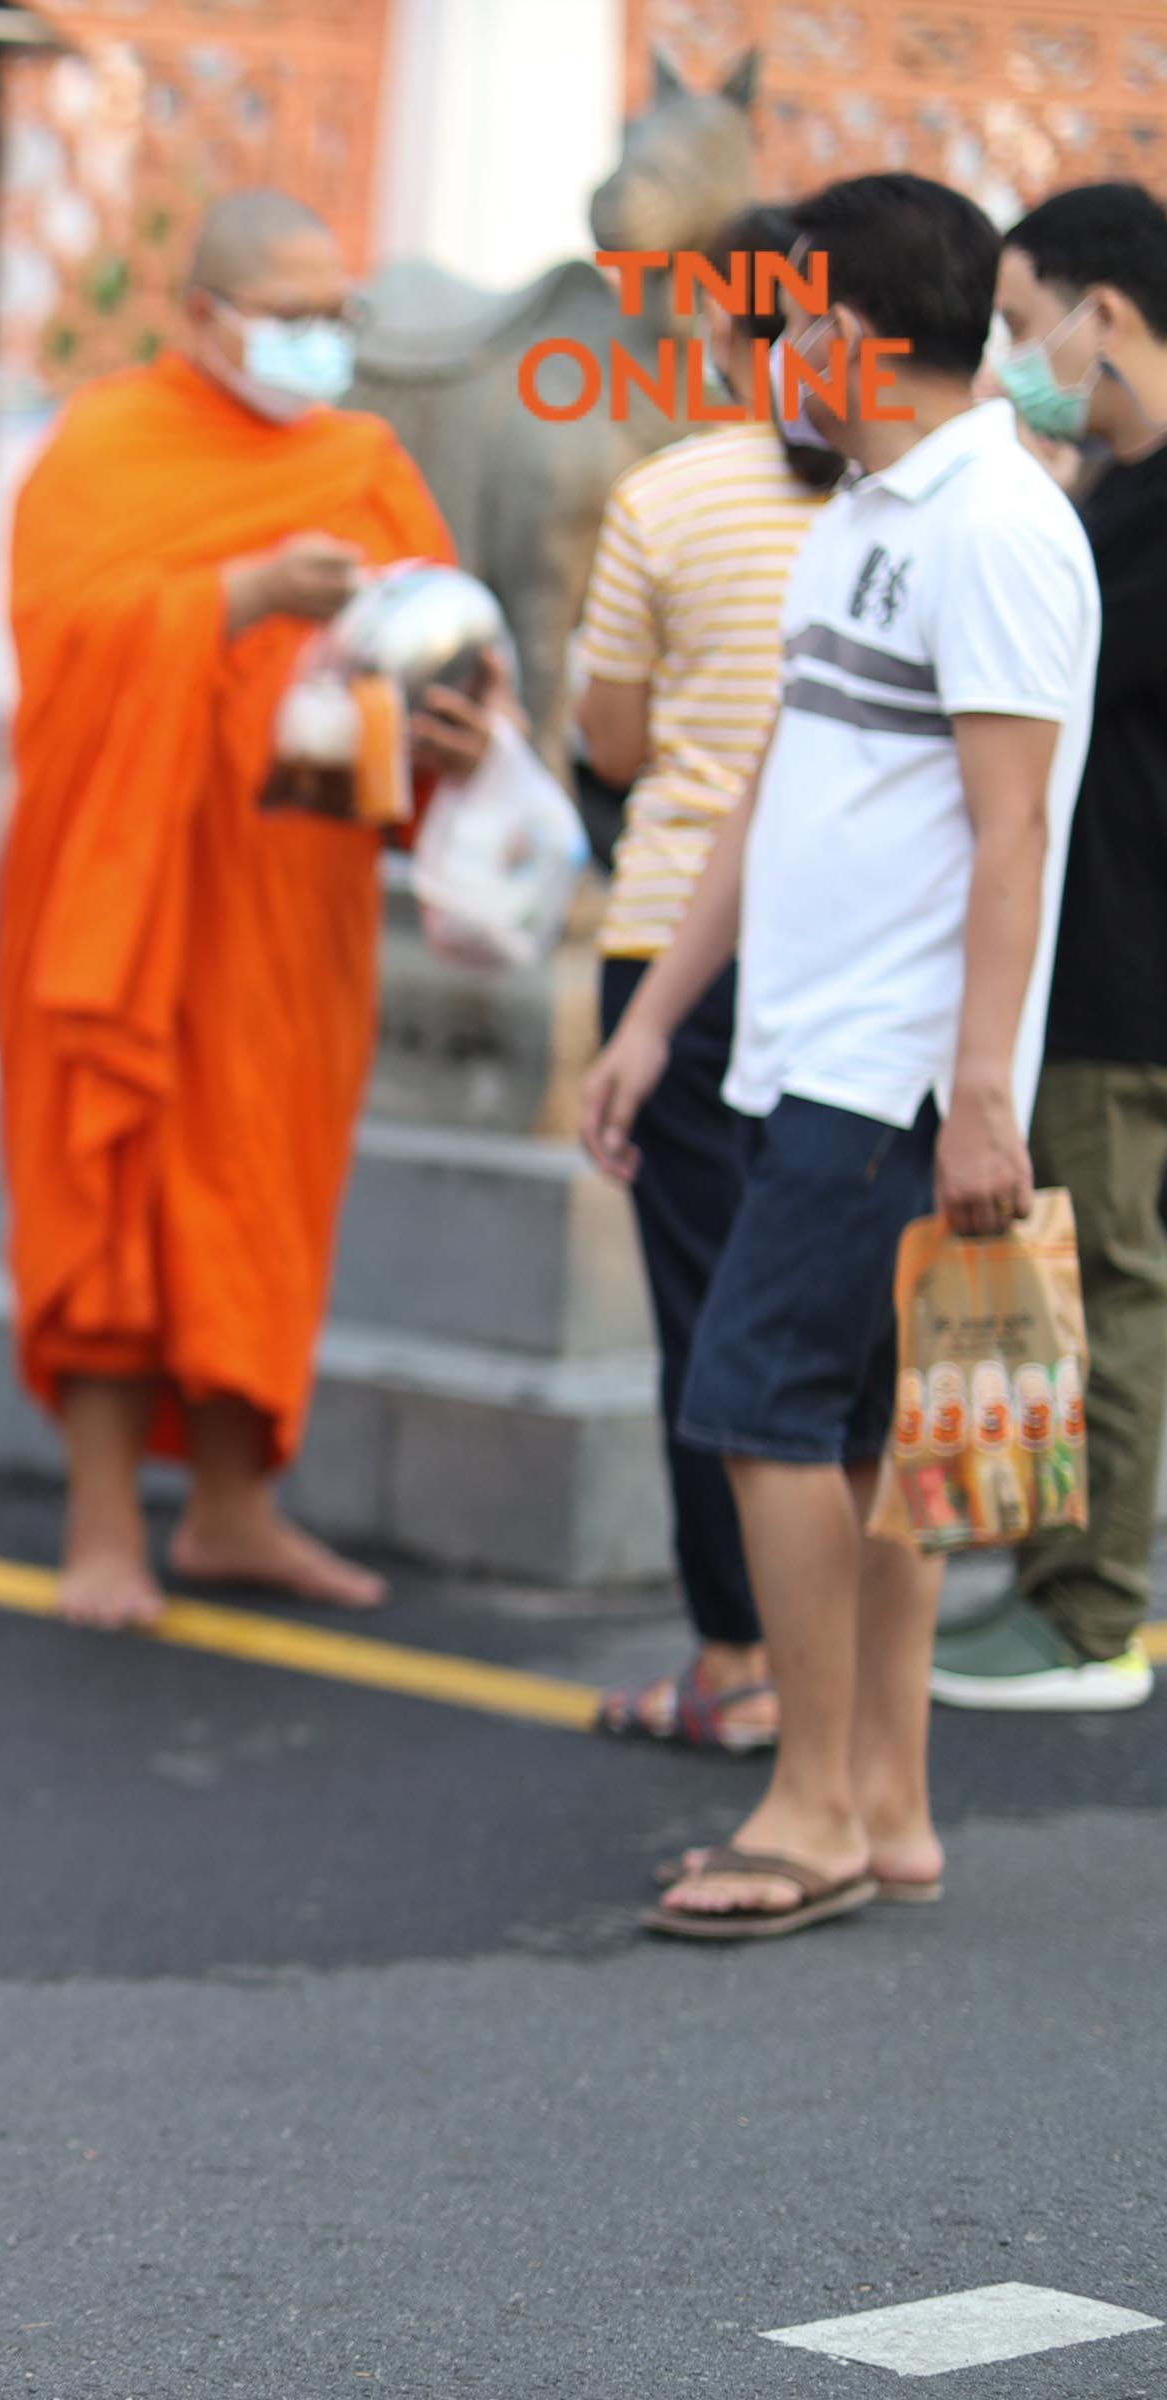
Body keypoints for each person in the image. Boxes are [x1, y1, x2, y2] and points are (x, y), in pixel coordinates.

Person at [583, 173, 1098, 1937]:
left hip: (887, 1075)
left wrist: (978, 1100)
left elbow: (1013, 834)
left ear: (848, 336)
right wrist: (655, 1021)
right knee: (873, 1437)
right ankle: (884, 1805)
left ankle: (804, 1808)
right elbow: (775, 788)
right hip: (810, 1048)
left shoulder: (997, 528)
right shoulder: (867, 512)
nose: (758, 352)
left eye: (779, 316)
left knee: (755, 1404)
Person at [0, 189, 490, 1635]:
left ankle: (231, 1512)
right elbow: (61, 645)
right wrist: (245, 590)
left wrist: (451, 738)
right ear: (200, 317)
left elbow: (445, 649)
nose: (321, 340)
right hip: (120, 887)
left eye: (340, 313)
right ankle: (101, 1528)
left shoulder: (365, 458)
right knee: (112, 1184)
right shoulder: (103, 446)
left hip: (289, 897)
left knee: (256, 1189)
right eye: (291, 314)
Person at [569, 200, 843, 1755]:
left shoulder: (667, 494)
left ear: (725, 332)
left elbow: (610, 742)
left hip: (674, 936)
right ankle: (854, 1665)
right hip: (857, 953)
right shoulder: (928, 499)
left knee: (711, 1312)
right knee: (848, 1313)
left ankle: (738, 1660)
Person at [930, 181, 1167, 1713]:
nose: (1012, 355)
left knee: (1105, 1283)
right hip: (1096, 965)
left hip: (1121, 973)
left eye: (1024, 324)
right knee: (1069, 1276)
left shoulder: (1136, 518)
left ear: (1110, 318)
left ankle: (1086, 1614)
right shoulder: (1113, 497)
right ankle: (1047, 1580)